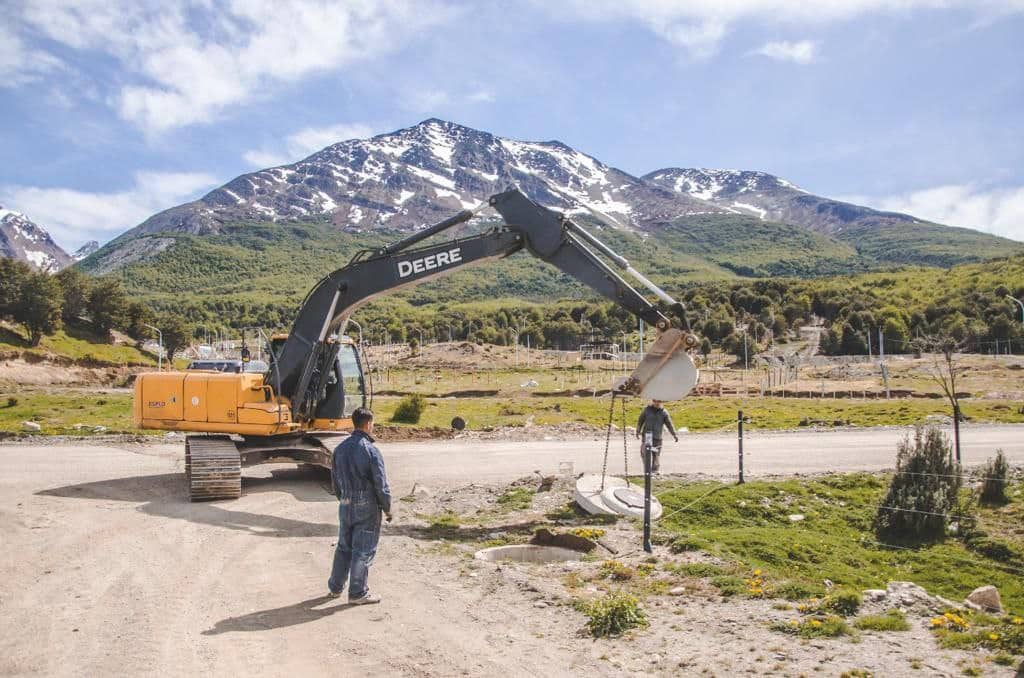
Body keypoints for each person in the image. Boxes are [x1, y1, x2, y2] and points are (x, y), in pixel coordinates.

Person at [328, 407, 392, 604]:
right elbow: (380, 484)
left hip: (345, 502)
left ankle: (335, 588)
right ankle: (357, 593)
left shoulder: (339, 449)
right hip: (367, 504)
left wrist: (344, 499)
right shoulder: (370, 450)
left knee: (343, 546)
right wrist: (387, 507)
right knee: (363, 549)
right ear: (368, 424)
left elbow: (335, 481)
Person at [635, 399, 678, 474]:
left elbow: (669, 424)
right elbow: (640, 421)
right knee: (645, 453)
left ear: (661, 402)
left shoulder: (664, 412)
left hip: (657, 437)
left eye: (659, 402)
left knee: (656, 454)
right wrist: (638, 431)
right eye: (655, 401)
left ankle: (655, 471)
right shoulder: (646, 410)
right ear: (652, 401)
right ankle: (647, 470)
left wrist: (674, 434)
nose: (657, 403)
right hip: (647, 436)